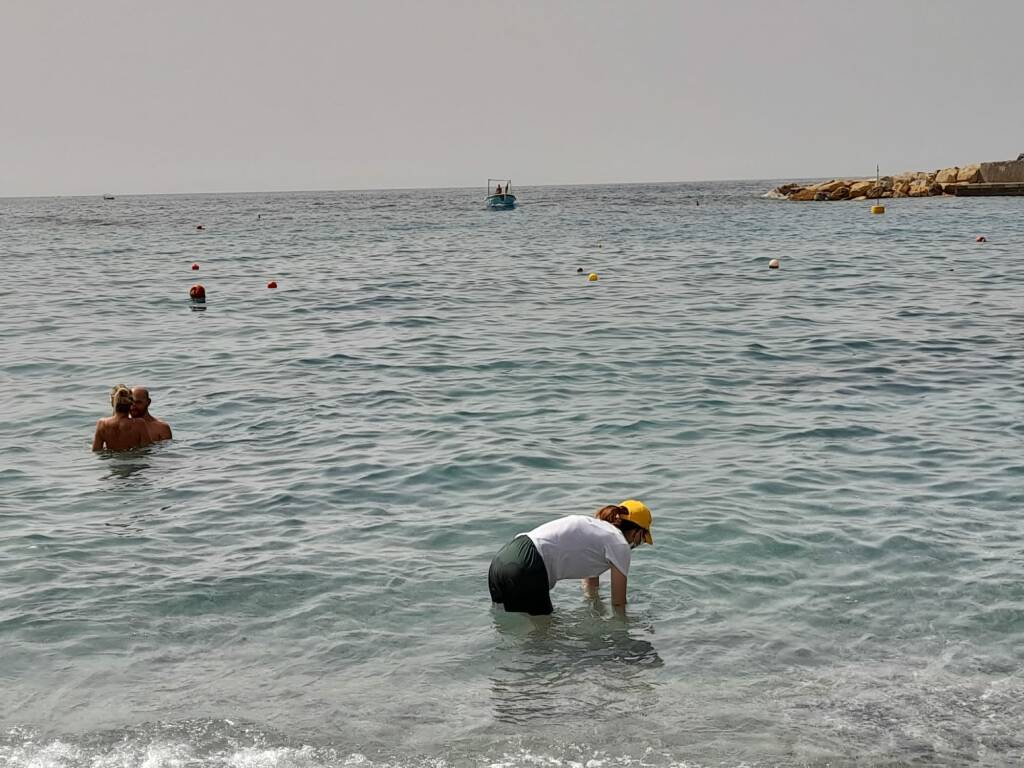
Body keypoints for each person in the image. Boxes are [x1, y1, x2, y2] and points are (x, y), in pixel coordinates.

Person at [488, 500, 654, 615]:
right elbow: (618, 603)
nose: (636, 544)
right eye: (640, 540)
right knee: (543, 646)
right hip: (528, 567)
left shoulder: (597, 529)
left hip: (503, 559)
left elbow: (590, 586)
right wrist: (624, 636)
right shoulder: (620, 544)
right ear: (637, 532)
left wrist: (595, 609)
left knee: (510, 627)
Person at [92, 385, 150, 451]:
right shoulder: (139, 423)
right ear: (131, 402)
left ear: (113, 401)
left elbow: (96, 450)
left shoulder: (102, 423)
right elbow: (147, 448)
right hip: (132, 459)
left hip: (112, 460)